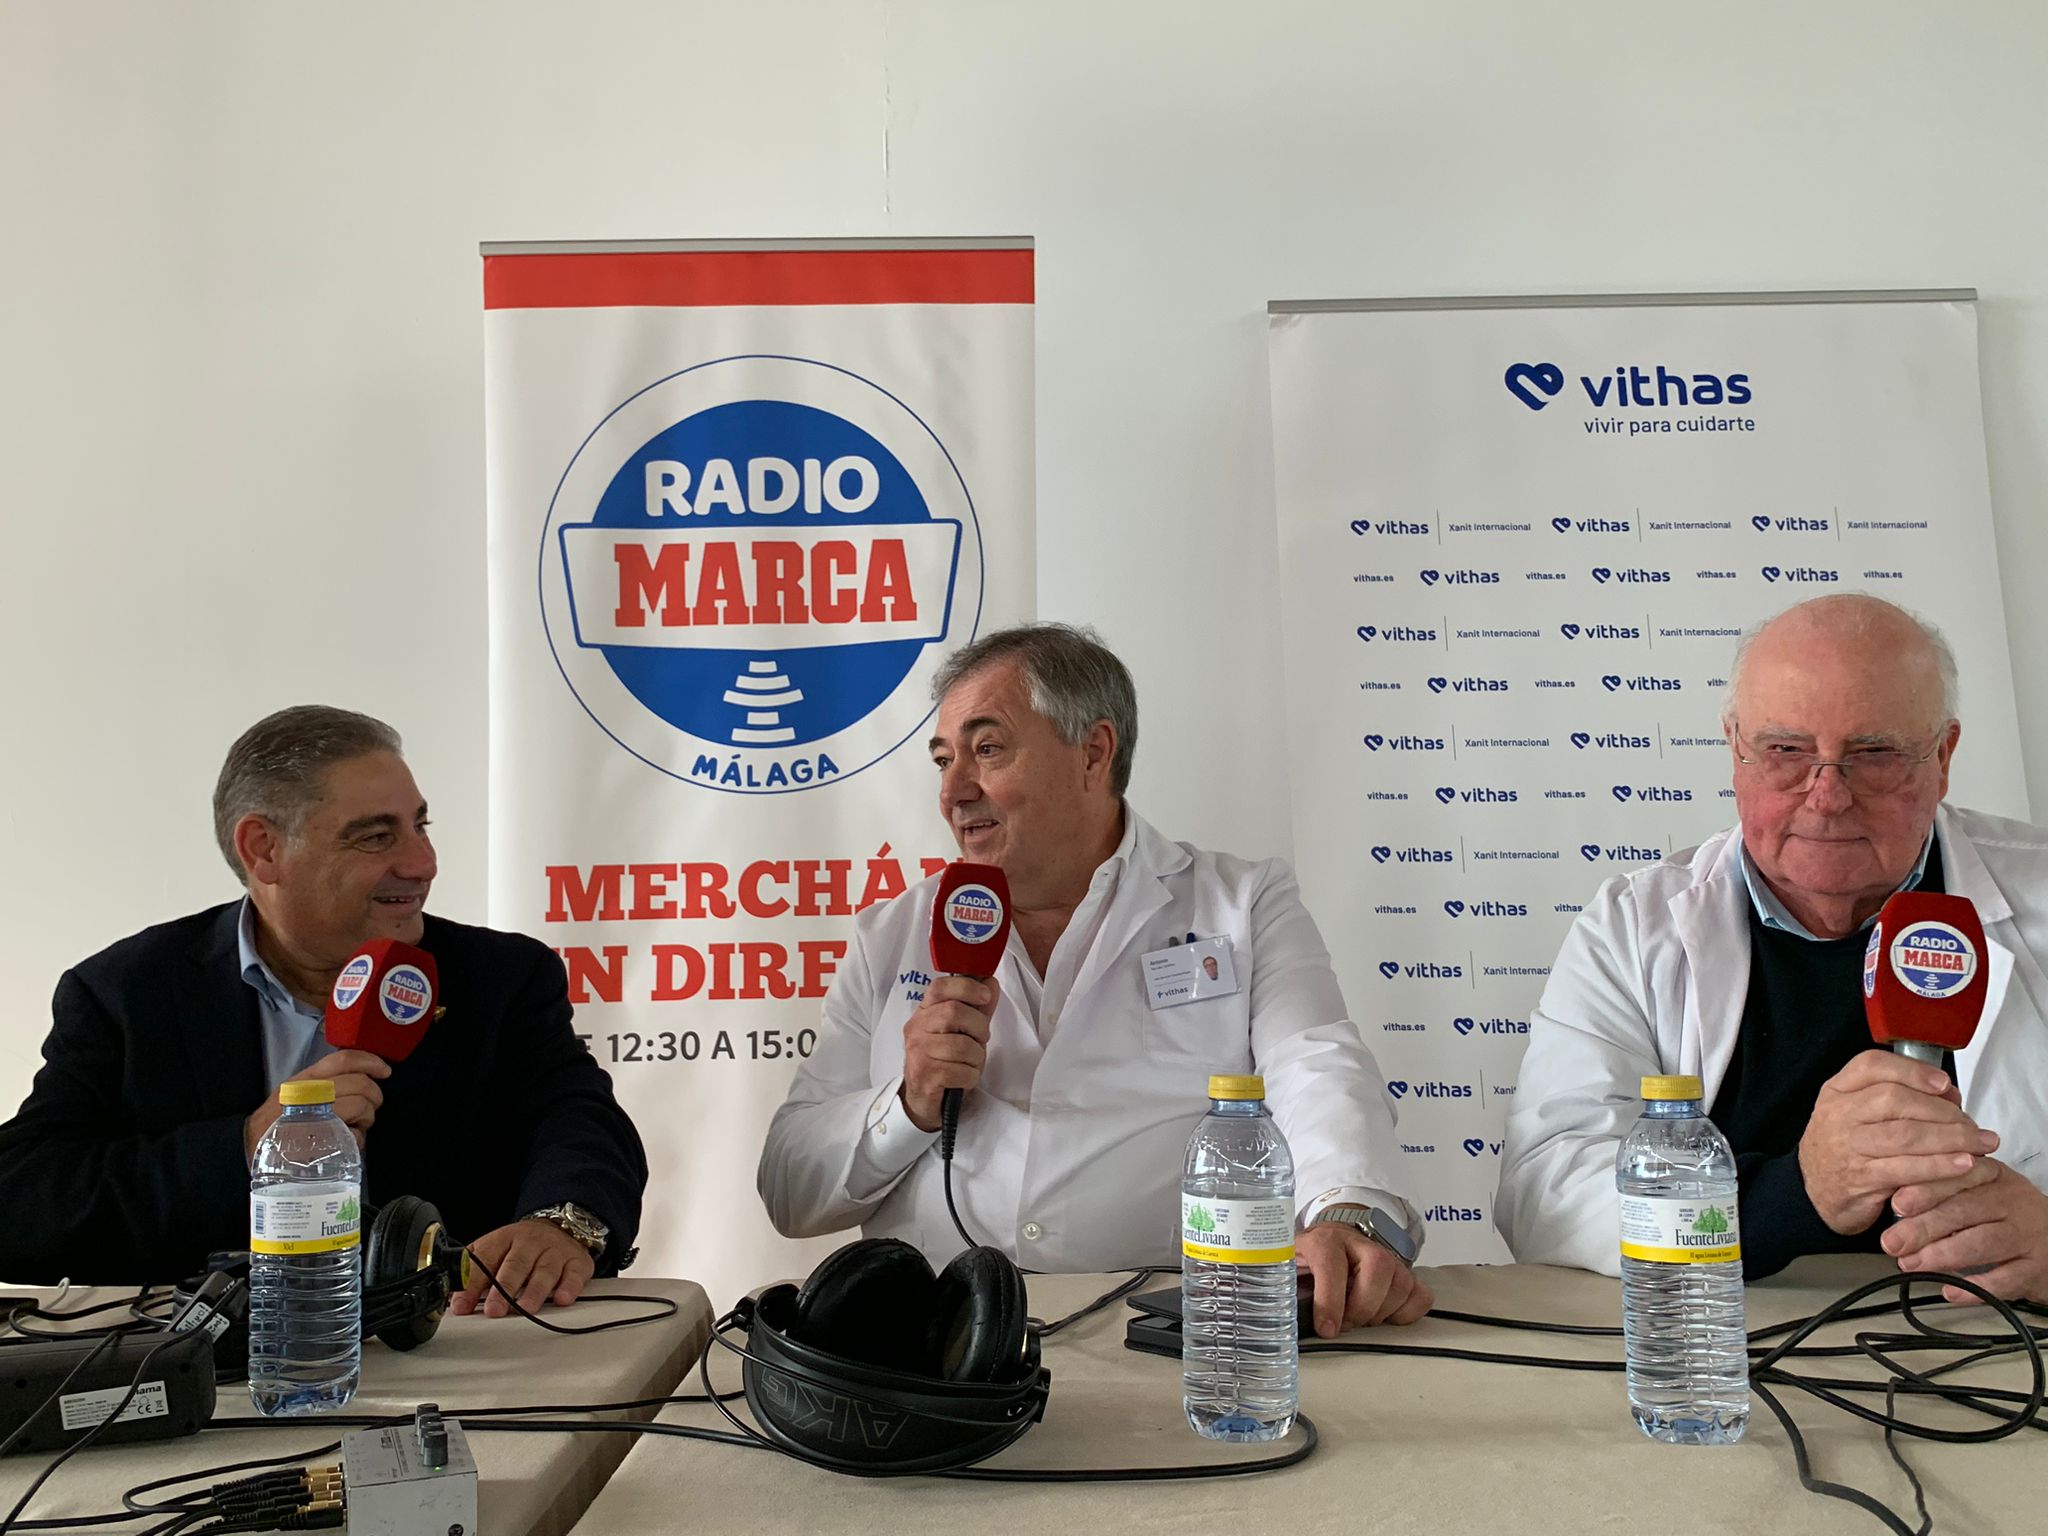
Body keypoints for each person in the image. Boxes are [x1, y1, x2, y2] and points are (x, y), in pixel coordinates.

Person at [759, 624, 1429, 1333]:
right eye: (943, 760)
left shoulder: (1242, 902)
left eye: (987, 750)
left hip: (1171, 1331)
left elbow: (1316, 1063)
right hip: (945, 1346)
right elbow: (790, 1189)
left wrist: (1347, 1212)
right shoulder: (889, 935)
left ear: (1094, 752)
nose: (954, 790)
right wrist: (909, 1104)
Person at [0, 706, 648, 1315]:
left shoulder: (500, 977)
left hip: (457, 1345)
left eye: (420, 826)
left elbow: (581, 1122)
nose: (423, 864)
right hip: (224, 1363)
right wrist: (249, 1147)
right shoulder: (127, 993)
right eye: (376, 836)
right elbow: (22, 1201)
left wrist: (562, 1223)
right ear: (263, 849)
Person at [1498, 595, 2048, 1302]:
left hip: (1998, 1338)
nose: (1827, 796)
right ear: (1736, 750)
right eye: (1787, 752)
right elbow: (1547, 1191)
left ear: (1942, 756)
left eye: (1874, 755)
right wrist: (1799, 1192)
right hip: (1719, 1341)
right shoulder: (1632, 927)